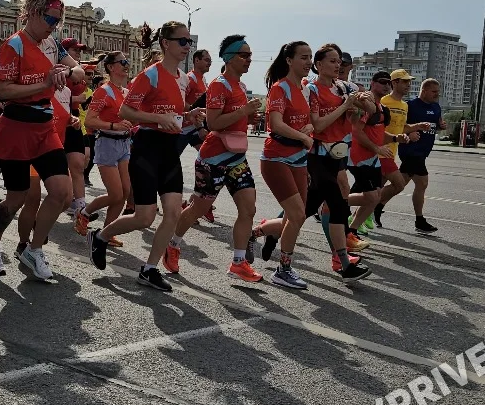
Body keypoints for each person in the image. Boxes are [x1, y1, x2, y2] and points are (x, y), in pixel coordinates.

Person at [89, 21, 201, 292]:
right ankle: (101, 236)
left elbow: (172, 116)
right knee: (145, 217)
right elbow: (127, 111)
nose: (187, 46)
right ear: (166, 43)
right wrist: (157, 118)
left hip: (169, 149)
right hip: (147, 147)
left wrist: (189, 117)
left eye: (189, 42)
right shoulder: (150, 75)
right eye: (182, 41)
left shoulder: (183, 79)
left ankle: (149, 269)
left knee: (173, 213)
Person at [0, 0, 85, 280]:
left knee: (63, 194)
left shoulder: (52, 43)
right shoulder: (14, 44)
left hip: (45, 126)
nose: (54, 25)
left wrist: (71, 72)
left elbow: (77, 71)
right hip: (16, 127)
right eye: (51, 18)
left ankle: (33, 248)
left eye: (58, 20)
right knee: (17, 197)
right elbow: (3, 90)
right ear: (34, 12)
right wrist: (45, 83)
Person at [165, 35, 265, 283]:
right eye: (244, 55)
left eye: (250, 55)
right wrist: (244, 112)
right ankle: (173, 244)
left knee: (248, 209)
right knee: (197, 209)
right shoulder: (220, 85)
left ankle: (238, 263)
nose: (249, 60)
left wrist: (247, 119)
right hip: (213, 159)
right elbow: (214, 122)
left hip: (237, 158)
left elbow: (234, 118)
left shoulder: (240, 87)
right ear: (229, 58)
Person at [304, 44, 372, 280]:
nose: (337, 65)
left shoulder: (345, 87)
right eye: (332, 61)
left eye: (339, 62)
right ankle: (343, 263)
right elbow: (319, 125)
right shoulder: (311, 89)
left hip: (338, 156)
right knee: (338, 205)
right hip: (317, 155)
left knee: (303, 211)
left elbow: (368, 113)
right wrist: (345, 104)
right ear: (318, 64)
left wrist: (362, 103)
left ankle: (263, 232)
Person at [252, 41, 316, 289]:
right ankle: (284, 270)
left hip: (298, 158)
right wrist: (302, 136)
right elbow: (276, 124)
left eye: (310, 57)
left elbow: (307, 123)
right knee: (297, 214)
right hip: (276, 158)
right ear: (289, 60)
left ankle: (256, 234)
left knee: (296, 217)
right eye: (303, 57)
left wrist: (307, 129)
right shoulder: (280, 88)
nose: (308, 62)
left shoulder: (303, 88)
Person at [82, 51, 133, 244]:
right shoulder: (104, 91)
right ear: (111, 67)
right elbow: (90, 120)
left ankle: (107, 232)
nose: (127, 65)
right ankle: (85, 212)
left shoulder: (126, 92)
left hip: (124, 144)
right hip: (107, 143)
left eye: (127, 61)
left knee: (125, 191)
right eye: (123, 62)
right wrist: (115, 126)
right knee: (116, 194)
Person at [368, 69, 428, 230]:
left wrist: (416, 127)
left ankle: (365, 214)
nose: (408, 85)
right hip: (379, 151)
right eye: (405, 81)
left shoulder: (404, 105)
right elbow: (376, 126)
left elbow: (401, 127)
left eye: (409, 81)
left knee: (376, 189)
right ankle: (360, 212)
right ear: (394, 83)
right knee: (399, 184)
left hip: (391, 151)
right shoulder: (384, 101)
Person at [347, 72, 402, 244]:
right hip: (358, 158)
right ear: (372, 83)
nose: (387, 86)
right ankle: (330, 202)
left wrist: (394, 138)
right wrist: (377, 148)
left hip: (372, 158)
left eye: (389, 83)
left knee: (375, 197)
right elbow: (356, 132)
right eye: (382, 82)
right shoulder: (366, 104)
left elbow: (377, 134)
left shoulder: (381, 108)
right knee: (371, 197)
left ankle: (352, 231)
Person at [389, 77, 444, 233]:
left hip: (423, 151)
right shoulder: (410, 106)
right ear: (424, 91)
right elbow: (400, 125)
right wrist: (411, 131)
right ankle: (419, 220)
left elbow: (435, 125)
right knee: (422, 183)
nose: (436, 94)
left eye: (438, 92)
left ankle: (376, 205)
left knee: (399, 184)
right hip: (411, 151)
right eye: (433, 91)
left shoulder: (436, 107)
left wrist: (441, 126)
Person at [58, 37, 92, 234]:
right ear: (63, 52)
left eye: (79, 50)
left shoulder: (78, 70)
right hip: (56, 121)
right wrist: (76, 98)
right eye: (74, 49)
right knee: (59, 170)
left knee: (79, 164)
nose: (78, 53)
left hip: (73, 122)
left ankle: (81, 208)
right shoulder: (57, 69)